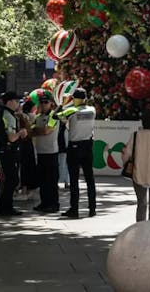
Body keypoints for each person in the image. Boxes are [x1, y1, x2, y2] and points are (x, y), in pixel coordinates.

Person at [60, 87, 96, 218]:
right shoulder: (92, 110)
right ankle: (92, 208)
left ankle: (74, 209)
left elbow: (57, 116)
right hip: (87, 146)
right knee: (90, 179)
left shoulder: (71, 111)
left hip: (74, 147)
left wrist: (63, 104)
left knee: (74, 180)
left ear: (75, 99)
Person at [0, 91, 28, 217]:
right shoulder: (8, 116)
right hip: (10, 151)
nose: (18, 104)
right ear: (10, 102)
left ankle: (1, 207)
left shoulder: (2, 113)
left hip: (4, 150)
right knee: (12, 180)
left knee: (9, 180)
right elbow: (12, 137)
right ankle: (6, 207)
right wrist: (21, 132)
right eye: (16, 101)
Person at [31, 93, 60, 213]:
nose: (43, 105)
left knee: (51, 181)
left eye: (45, 102)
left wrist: (37, 131)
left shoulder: (54, 116)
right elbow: (31, 130)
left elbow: (47, 130)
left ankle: (53, 204)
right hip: (41, 152)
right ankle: (44, 202)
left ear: (51, 104)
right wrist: (38, 131)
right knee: (42, 181)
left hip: (51, 152)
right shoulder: (38, 117)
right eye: (41, 103)